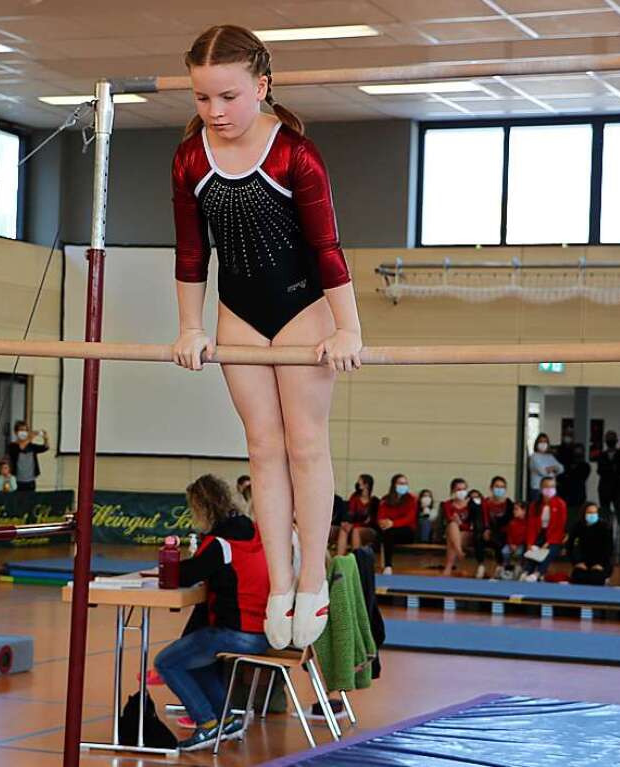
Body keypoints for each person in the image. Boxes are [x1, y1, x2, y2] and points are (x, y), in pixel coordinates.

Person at [170, 25, 361, 649]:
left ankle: (313, 579)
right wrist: (191, 327)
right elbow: (192, 252)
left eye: (228, 97)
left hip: (302, 307)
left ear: (262, 85)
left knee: (304, 444)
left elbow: (327, 248)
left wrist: (348, 326)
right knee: (261, 448)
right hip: (238, 312)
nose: (215, 112)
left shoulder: (294, 154)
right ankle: (279, 581)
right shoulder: (191, 158)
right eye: (202, 99)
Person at [153, 475, 269, 751]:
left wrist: (168, 561)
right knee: (199, 660)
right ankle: (227, 718)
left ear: (202, 508)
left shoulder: (219, 543)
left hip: (238, 632)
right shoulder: (253, 531)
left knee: (166, 662)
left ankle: (206, 723)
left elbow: (185, 575)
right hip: (264, 629)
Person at [521, 476, 568, 582]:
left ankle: (538, 573)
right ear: (541, 488)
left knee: (547, 551)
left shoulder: (560, 504)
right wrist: (530, 543)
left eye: (552, 487)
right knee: (533, 551)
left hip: (554, 537)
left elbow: (560, 526)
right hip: (539, 534)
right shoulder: (534, 505)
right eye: (546, 487)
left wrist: (548, 542)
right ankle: (526, 572)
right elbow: (531, 526)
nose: (549, 489)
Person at [376, 474, 417, 575]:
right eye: (400, 483)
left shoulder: (411, 499)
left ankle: (387, 565)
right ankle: (388, 566)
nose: (403, 486)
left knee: (389, 532)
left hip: (407, 531)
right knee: (387, 533)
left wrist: (393, 523)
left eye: (405, 483)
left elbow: (409, 518)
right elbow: (380, 516)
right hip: (389, 530)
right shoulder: (385, 499)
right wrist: (383, 523)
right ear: (394, 485)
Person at [568, 502, 613, 585]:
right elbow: (570, 546)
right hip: (583, 561)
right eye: (590, 512)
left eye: (595, 512)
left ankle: (605, 578)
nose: (592, 515)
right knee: (578, 578)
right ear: (584, 514)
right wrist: (577, 562)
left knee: (595, 579)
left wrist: (601, 564)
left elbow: (609, 549)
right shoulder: (578, 526)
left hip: (600, 562)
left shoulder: (605, 527)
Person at [478, 476, 514, 580]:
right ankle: (481, 565)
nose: (499, 489)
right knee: (478, 538)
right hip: (487, 531)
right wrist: (486, 529)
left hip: (502, 533)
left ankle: (500, 566)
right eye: (497, 486)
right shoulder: (485, 503)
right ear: (491, 488)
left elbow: (509, 522)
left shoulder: (509, 504)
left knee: (499, 539)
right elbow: (481, 519)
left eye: (502, 487)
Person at [441, 478, 477, 577]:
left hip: (467, 533)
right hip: (452, 532)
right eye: (459, 489)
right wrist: (457, 523)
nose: (462, 492)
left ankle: (448, 567)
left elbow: (471, 524)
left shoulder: (471, 504)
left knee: (453, 537)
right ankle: (460, 553)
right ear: (453, 491)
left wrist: (460, 524)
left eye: (464, 489)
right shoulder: (447, 504)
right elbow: (448, 519)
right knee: (452, 526)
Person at [337, 473, 378, 556]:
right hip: (354, 526)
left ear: (366, 485)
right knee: (343, 529)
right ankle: (339, 559)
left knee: (356, 531)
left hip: (368, 529)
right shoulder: (355, 497)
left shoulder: (374, 501)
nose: (357, 483)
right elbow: (351, 513)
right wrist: (347, 523)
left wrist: (353, 525)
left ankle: (357, 560)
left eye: (359, 481)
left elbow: (369, 521)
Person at [7, 421, 50, 492]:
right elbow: (21, 448)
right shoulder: (12, 446)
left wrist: (46, 438)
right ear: (15, 432)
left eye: (25, 430)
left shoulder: (31, 446)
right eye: (21, 430)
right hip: (17, 481)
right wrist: (30, 437)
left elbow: (45, 448)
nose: (23, 432)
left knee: (30, 501)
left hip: (31, 481)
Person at [528, 432, 563, 504]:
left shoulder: (550, 456)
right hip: (538, 489)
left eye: (545, 442)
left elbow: (561, 469)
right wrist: (554, 469)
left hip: (551, 489)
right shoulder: (534, 457)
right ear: (537, 443)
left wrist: (550, 468)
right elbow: (543, 472)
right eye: (541, 441)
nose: (543, 444)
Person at [594, 430, 620, 516]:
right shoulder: (602, 455)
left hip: (618, 488)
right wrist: (612, 469)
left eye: (612, 438)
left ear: (616, 440)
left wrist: (610, 469)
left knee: (619, 513)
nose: (610, 440)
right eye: (608, 438)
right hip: (604, 487)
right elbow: (600, 470)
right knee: (604, 512)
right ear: (605, 441)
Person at [559, 442, 590, 509]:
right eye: (576, 451)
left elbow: (579, 478)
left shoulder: (585, 466)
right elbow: (561, 477)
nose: (577, 454)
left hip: (578, 496)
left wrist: (568, 476)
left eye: (579, 452)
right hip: (565, 495)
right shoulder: (566, 464)